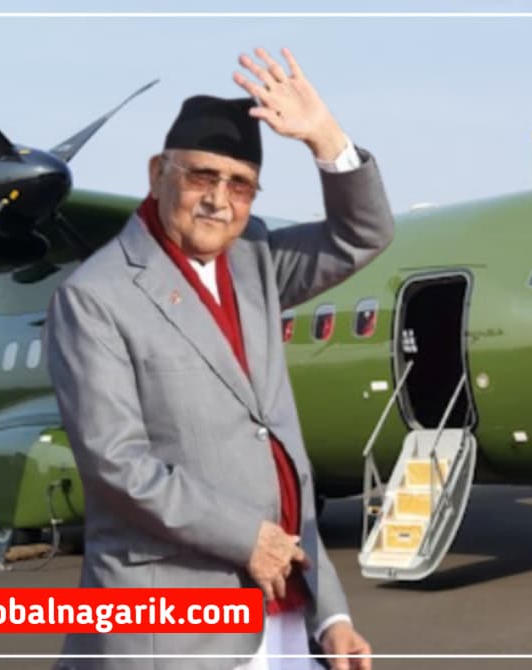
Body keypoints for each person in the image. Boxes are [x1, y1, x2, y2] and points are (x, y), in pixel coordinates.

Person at [46, 47, 394, 670]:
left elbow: (362, 234)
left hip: (287, 616)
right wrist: (245, 538)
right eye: (201, 176)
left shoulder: (253, 258)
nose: (219, 200)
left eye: (240, 185)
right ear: (158, 173)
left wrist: (325, 138)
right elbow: (117, 465)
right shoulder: (95, 296)